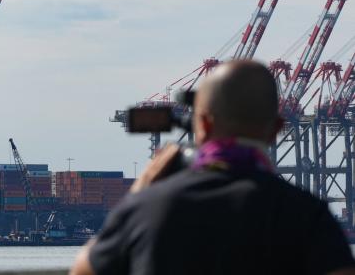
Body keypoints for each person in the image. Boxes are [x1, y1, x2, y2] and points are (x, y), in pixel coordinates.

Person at [71, 60, 355, 275]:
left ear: (203, 125)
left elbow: (82, 271)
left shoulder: (145, 210)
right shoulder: (309, 217)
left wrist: (137, 194)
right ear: (277, 130)